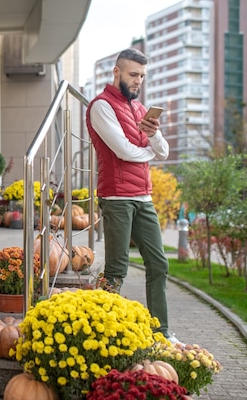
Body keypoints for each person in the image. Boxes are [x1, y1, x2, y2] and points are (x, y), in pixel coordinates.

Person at [85, 48, 179, 343]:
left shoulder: (141, 111)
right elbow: (122, 151)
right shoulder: (100, 106)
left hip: (144, 197)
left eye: (142, 76)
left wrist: (152, 137)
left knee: (159, 264)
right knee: (116, 269)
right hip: (116, 197)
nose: (138, 81)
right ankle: (98, 331)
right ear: (117, 72)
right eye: (133, 74)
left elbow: (162, 152)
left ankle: (161, 334)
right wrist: (149, 151)